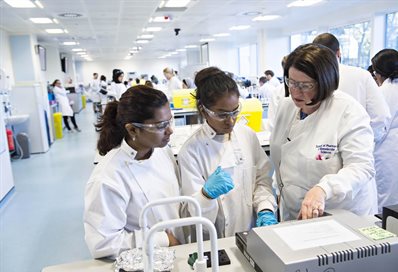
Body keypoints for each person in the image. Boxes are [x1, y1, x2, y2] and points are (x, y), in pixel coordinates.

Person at [270, 44, 378, 221]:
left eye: (305, 85)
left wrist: (324, 189)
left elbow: (361, 167)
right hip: (295, 210)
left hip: (340, 213)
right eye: (291, 82)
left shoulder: (347, 111)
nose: (295, 91)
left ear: (325, 82)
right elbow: (281, 160)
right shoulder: (286, 106)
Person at [84, 85, 183, 259]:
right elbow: (103, 243)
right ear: (132, 129)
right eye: (161, 125)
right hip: (144, 259)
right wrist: (162, 239)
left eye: (170, 121)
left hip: (177, 251)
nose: (170, 130)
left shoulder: (162, 151)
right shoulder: (108, 177)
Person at [179, 67, 277, 239]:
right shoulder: (191, 150)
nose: (230, 120)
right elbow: (193, 216)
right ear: (203, 110)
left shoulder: (247, 135)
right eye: (222, 114)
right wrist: (205, 195)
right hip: (215, 240)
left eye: (235, 111)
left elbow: (262, 180)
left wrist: (265, 209)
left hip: (251, 232)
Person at [313, 33, 391, 143]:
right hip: (357, 144)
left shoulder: (310, 78)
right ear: (339, 52)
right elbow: (381, 116)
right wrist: (366, 141)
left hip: (320, 146)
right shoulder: (361, 75)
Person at [371, 49, 398, 211]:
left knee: (385, 199)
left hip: (387, 151)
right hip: (392, 149)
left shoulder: (384, 91)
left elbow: (377, 125)